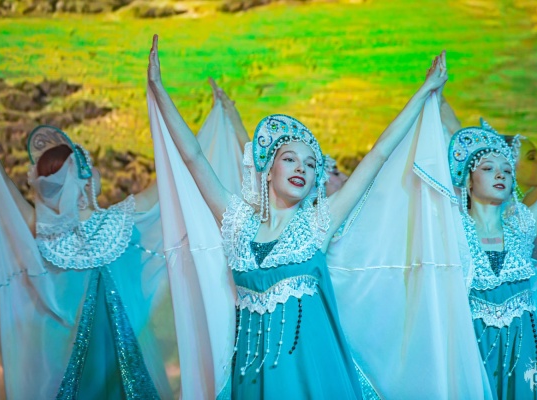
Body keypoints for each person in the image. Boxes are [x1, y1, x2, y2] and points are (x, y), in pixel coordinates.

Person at [147, 33, 449, 398]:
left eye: (310, 164)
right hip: (253, 379)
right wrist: (159, 89)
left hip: (312, 377)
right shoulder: (238, 222)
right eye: (290, 159)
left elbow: (380, 154)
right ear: (267, 170)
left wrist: (424, 90)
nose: (301, 168)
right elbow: (193, 157)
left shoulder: (319, 222)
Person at [0, 126, 177, 399]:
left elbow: (4, 189)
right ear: (84, 181)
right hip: (125, 359)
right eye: (89, 166)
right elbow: (168, 181)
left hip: (72, 366)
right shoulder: (120, 224)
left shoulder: (45, 236)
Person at [448, 119, 537, 398]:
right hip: (472, 355)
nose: (500, 174)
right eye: (488, 168)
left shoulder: (522, 228)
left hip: (526, 357)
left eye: (507, 170)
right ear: (468, 181)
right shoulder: (452, 233)